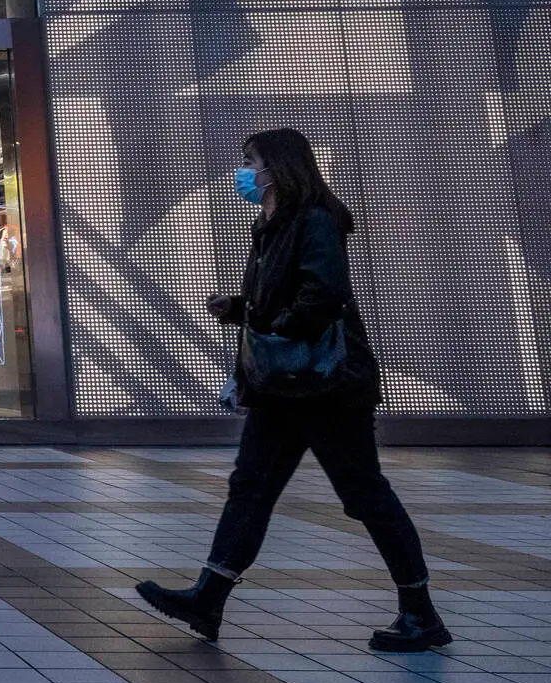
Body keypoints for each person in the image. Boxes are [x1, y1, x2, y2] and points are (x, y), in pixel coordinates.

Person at [137, 128, 449, 652]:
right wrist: (241, 308)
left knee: (363, 493)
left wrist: (276, 330)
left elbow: (323, 295)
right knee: (250, 487)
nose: (243, 173)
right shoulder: (270, 226)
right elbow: (287, 295)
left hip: (327, 386)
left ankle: (420, 611)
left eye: (250, 162)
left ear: (278, 168)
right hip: (282, 388)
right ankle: (208, 597)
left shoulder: (316, 219)